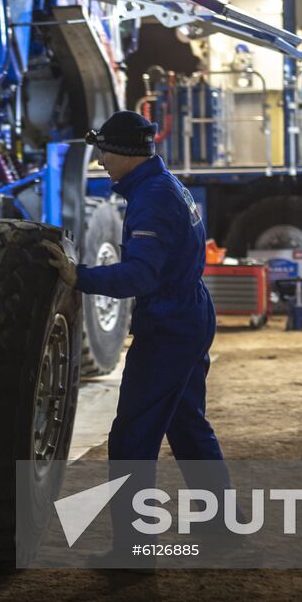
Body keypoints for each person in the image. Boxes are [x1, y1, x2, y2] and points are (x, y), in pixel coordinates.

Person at [46, 110, 224, 468]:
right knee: (187, 425)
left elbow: (140, 277)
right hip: (189, 313)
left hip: (169, 326)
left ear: (127, 153)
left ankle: (133, 510)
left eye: (105, 152)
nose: (101, 161)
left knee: (132, 438)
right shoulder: (164, 184)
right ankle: (218, 506)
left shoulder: (153, 198)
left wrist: (79, 277)